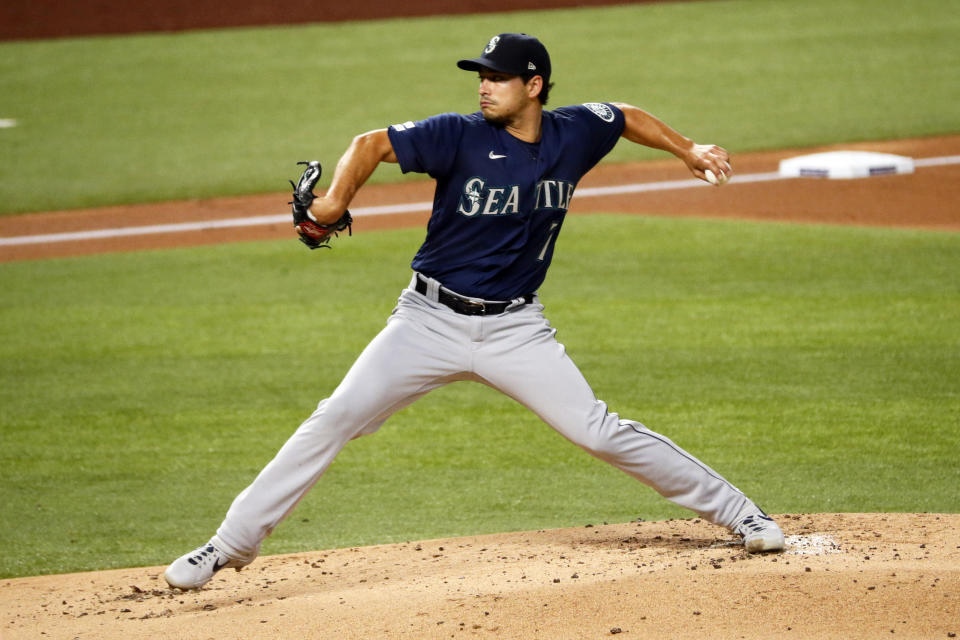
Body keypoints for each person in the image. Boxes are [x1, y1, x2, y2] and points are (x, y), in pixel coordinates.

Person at [164, 32, 784, 590]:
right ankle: (226, 546)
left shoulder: (573, 132)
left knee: (596, 429)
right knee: (335, 418)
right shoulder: (458, 135)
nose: (483, 87)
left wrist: (688, 149)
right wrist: (330, 204)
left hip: (516, 328)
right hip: (426, 322)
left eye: (496, 77)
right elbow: (371, 144)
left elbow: (624, 117)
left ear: (533, 86)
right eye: (480, 76)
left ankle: (740, 513)